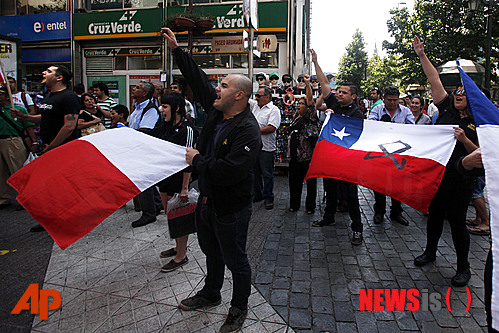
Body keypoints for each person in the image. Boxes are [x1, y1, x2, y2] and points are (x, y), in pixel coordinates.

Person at [162, 27, 261, 333]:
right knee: (211, 253)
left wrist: (197, 161)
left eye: (225, 85)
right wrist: (178, 50)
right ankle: (211, 293)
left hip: (231, 208)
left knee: (236, 261)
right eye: (219, 85)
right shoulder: (218, 112)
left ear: (239, 95)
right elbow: (198, 80)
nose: (217, 89)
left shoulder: (248, 130)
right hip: (205, 202)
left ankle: (238, 307)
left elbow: (229, 172)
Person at [412, 35, 479, 287]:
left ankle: (464, 267)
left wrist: (464, 140)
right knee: (435, 216)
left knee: (458, 223)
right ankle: (430, 252)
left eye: (464, 93)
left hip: (461, 180)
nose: (458, 94)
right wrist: (421, 55)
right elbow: (434, 79)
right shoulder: (447, 108)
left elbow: (480, 154)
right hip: (438, 175)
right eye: (457, 92)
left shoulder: (479, 122)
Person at [10, 65, 80, 232]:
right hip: (49, 148)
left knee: (62, 186)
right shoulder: (50, 96)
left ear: (59, 78)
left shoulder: (69, 97)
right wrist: (25, 117)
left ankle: (67, 221)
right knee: (50, 187)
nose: (43, 73)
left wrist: (51, 147)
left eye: (49, 71)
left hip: (62, 150)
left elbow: (69, 126)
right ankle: (52, 219)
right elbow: (45, 117)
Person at [310, 48, 364, 245]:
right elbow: (324, 85)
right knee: (330, 189)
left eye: (343, 92)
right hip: (331, 159)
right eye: (338, 91)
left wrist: (336, 118)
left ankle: (357, 228)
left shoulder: (357, 114)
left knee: (351, 195)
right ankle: (329, 216)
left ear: (354, 96)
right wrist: (316, 62)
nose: (339, 94)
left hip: (347, 163)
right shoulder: (335, 104)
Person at [154, 93, 197, 272]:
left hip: (179, 180)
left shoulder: (187, 129)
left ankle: (181, 256)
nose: (161, 110)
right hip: (164, 178)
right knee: (169, 214)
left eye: (165, 106)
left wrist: (185, 187)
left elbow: (188, 159)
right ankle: (178, 247)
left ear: (176, 108)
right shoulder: (164, 126)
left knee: (179, 218)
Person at [368, 86, 415, 226]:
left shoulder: (406, 112)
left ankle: (396, 212)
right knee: (379, 183)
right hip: (381, 152)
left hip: (399, 153)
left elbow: (412, 130)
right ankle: (379, 211)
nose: (393, 103)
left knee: (398, 184)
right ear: (384, 99)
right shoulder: (377, 110)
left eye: (395, 100)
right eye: (390, 100)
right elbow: (371, 126)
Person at [128, 81, 163, 228]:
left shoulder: (150, 109)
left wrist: (126, 131)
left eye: (137, 88)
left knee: (141, 181)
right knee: (146, 180)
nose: (134, 89)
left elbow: (145, 130)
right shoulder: (137, 107)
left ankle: (149, 214)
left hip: (143, 149)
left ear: (144, 94)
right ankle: (157, 203)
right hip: (135, 148)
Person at [0, 86, 37, 210]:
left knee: (18, 171)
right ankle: (4, 198)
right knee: (1, 172)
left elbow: (29, 127)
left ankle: (24, 198)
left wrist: (34, 142)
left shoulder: (17, 110)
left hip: (13, 140)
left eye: (1, 94)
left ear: (6, 96)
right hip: (1, 140)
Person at [287, 74, 318, 214]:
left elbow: (311, 101)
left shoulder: (309, 117)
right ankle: (294, 204)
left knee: (310, 183)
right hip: (294, 156)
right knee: (294, 182)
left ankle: (310, 207)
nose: (299, 105)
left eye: (301, 104)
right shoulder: (296, 118)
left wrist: (307, 84)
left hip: (307, 156)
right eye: (298, 103)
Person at [250, 86, 281, 210]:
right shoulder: (255, 106)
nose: (256, 98)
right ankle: (258, 194)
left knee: (267, 174)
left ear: (267, 97)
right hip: (254, 147)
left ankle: (269, 197)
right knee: (254, 173)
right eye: (256, 95)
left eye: (258, 96)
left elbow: (271, 128)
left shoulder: (274, 110)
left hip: (266, 148)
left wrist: (253, 131)